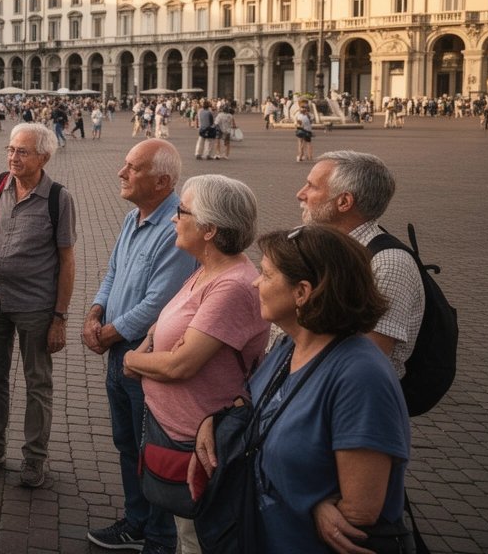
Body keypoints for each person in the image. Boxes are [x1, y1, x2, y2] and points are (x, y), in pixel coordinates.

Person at [192, 226, 409, 554]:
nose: (255, 282)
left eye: (265, 274)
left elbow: (360, 514)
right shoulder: (288, 346)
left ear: (302, 292)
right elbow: (261, 409)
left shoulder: (361, 378)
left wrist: (311, 505)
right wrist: (216, 423)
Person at [122, 175, 267, 554]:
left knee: (195, 539)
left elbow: (179, 367)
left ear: (209, 228)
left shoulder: (232, 286)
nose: (174, 217)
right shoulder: (207, 268)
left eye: (181, 211)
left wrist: (134, 358)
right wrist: (158, 346)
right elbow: (164, 325)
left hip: (199, 443)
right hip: (174, 429)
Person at [83, 139, 197, 553]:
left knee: (154, 451)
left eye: (133, 167)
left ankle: (160, 538)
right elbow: (113, 272)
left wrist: (107, 332)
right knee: (128, 443)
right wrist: (95, 313)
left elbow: (159, 303)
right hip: (120, 351)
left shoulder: (176, 227)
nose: (121, 173)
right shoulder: (136, 217)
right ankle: (137, 522)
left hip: (148, 358)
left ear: (163, 180)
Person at [0, 124, 77, 488]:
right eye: (11, 150)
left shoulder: (59, 199)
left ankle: (34, 458)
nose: (13, 157)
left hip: (35, 307)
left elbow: (67, 261)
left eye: (22, 152)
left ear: (44, 157)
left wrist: (59, 318)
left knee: (37, 383)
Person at [296, 151, 423, 380]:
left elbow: (366, 363)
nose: (300, 194)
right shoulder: (324, 247)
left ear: (344, 202)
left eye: (312, 186)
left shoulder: (388, 265)